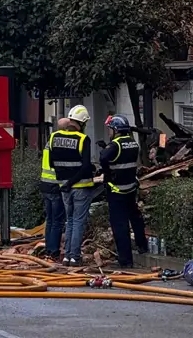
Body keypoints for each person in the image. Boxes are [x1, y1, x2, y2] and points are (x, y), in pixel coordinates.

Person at [49, 105, 95, 266]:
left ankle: (67, 256)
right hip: (81, 187)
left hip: (64, 187)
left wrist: (65, 182)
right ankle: (75, 256)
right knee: (78, 221)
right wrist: (73, 181)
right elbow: (86, 167)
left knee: (69, 221)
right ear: (81, 123)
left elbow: (51, 163)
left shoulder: (54, 137)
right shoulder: (83, 139)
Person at [100, 115, 148, 268]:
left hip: (116, 191)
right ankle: (142, 246)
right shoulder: (133, 143)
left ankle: (126, 260)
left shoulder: (115, 145)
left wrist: (107, 173)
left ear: (116, 130)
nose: (109, 132)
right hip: (130, 188)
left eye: (110, 129)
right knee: (135, 218)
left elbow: (103, 158)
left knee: (120, 225)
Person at [39, 118, 68, 261]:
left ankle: (48, 249)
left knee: (50, 220)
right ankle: (54, 251)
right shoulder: (60, 142)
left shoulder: (50, 140)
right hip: (56, 185)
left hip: (45, 184)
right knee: (57, 220)